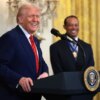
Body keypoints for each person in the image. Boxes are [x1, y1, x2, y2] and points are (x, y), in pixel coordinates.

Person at [0, 3, 48, 100]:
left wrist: (45, 73)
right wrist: (18, 79)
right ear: (20, 19)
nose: (35, 20)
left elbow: (41, 62)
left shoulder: (35, 40)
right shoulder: (10, 37)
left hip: (33, 95)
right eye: (31, 16)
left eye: (37, 16)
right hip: (14, 96)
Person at [50, 15, 95, 100]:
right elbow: (58, 72)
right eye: (70, 25)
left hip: (85, 94)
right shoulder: (55, 48)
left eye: (76, 25)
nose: (74, 27)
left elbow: (90, 69)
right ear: (65, 27)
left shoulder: (87, 47)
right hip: (66, 94)